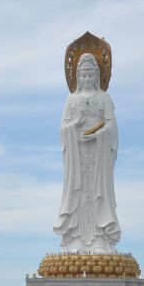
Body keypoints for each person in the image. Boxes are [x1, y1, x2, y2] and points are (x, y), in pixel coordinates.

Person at [53, 52, 121, 254]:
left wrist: (98, 135)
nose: (87, 79)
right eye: (83, 75)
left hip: (98, 155)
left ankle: (100, 239)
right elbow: (63, 129)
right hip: (77, 156)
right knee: (78, 192)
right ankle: (75, 240)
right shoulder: (71, 99)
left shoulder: (104, 98)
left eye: (90, 75)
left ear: (97, 75)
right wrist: (77, 122)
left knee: (97, 193)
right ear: (77, 77)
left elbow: (111, 126)